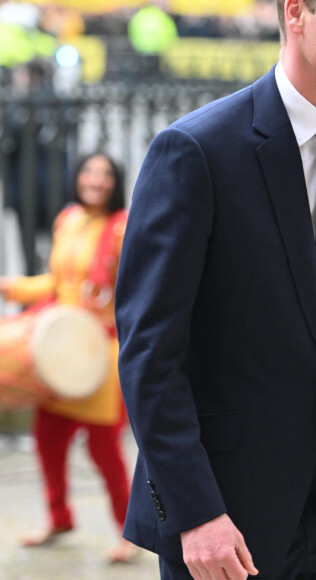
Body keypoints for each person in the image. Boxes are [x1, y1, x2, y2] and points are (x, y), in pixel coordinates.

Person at [114, 0, 316, 579]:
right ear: (295, 14)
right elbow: (149, 355)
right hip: (227, 515)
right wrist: (195, 513)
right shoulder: (197, 151)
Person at [0, 152, 137, 563]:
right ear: (78, 177)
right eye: (89, 172)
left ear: (116, 182)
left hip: (97, 355)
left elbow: (132, 290)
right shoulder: (68, 219)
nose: (95, 180)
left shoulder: (121, 228)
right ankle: (59, 518)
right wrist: (13, 288)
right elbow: (58, 284)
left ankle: (128, 533)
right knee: (48, 439)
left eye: (105, 174)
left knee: (103, 450)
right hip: (59, 352)